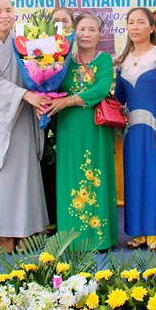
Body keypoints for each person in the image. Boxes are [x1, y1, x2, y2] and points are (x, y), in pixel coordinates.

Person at [0, 0, 49, 254]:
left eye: (8, 10)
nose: (4, 15)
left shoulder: (24, 45)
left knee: (23, 179)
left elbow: (38, 75)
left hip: (23, 120)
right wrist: (25, 95)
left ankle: (27, 237)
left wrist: (41, 93)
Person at [43, 13, 118, 251]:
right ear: (74, 33)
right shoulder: (63, 61)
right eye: (82, 29)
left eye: (92, 30)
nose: (86, 34)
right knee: (70, 177)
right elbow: (52, 86)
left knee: (96, 176)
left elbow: (101, 89)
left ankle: (99, 238)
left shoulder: (104, 60)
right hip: (68, 128)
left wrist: (68, 101)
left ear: (100, 34)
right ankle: (71, 238)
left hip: (95, 127)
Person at [115, 7, 156, 252]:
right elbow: (120, 97)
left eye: (140, 22)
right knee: (135, 176)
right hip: (132, 131)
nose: (134, 27)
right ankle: (139, 231)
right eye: (131, 22)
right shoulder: (122, 61)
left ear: (151, 28)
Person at [40, 6, 76, 234]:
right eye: (56, 20)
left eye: (65, 20)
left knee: (70, 166)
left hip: (71, 114)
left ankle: (70, 216)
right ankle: (51, 218)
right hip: (49, 115)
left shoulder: (77, 51)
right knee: (48, 166)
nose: (61, 24)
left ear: (72, 25)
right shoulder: (41, 50)